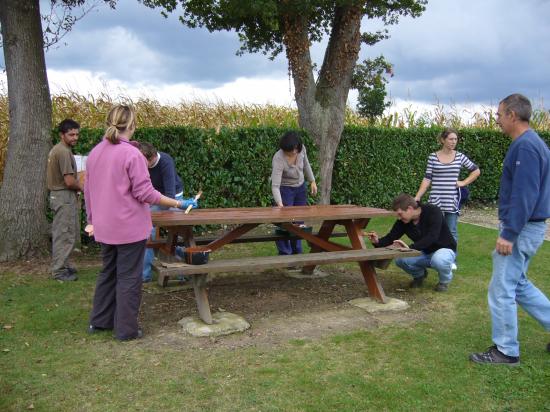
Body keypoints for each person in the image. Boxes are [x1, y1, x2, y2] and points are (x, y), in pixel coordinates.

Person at [84, 105, 197, 341]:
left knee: (108, 272)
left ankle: (100, 321)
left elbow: (89, 191)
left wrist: (92, 220)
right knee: (128, 277)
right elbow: (146, 193)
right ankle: (126, 329)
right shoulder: (132, 154)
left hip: (105, 226)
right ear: (132, 125)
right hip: (129, 228)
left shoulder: (95, 153)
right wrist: (177, 203)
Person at [470, 94, 550, 366]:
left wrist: (509, 233)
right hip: (529, 228)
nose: (497, 120)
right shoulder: (530, 143)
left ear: (513, 115)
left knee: (501, 288)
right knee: (519, 285)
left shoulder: (526, 147)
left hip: (522, 229)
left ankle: (506, 351)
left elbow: (525, 195)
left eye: (499, 115)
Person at [366, 193, 457, 292]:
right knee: (400, 260)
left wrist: (411, 248)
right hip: (424, 251)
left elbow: (432, 237)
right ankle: (419, 276)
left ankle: (444, 281)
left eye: (400, 214)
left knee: (439, 260)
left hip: (444, 250)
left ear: (409, 209)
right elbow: (391, 237)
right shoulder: (404, 221)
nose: (399, 218)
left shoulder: (433, 211)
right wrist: (377, 241)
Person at [136, 142, 195, 282]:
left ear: (150, 159)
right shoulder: (142, 164)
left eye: (141, 161)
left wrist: (150, 204)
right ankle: (146, 273)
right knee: (145, 231)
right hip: (155, 199)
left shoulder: (166, 161)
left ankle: (145, 275)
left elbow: (169, 196)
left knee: (148, 231)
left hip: (172, 199)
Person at [414, 128, 480, 245]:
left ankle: (451, 259)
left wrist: (463, 182)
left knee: (451, 231)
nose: (453, 142)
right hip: (436, 199)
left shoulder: (460, 156)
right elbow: (427, 178)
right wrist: (418, 196)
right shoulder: (433, 157)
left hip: (451, 200)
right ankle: (433, 254)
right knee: (433, 230)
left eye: (455, 139)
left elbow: (476, 171)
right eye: (450, 139)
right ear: (443, 140)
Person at [46, 119, 82, 281]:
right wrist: (83, 187)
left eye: (76, 134)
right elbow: (69, 181)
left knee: (66, 232)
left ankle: (64, 265)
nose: (75, 137)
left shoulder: (60, 149)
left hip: (60, 196)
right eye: (71, 134)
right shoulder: (63, 152)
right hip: (63, 196)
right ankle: (59, 271)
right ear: (62, 135)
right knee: (64, 234)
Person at [271, 131, 317, 255]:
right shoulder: (278, 158)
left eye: (296, 149)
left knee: (299, 222)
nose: (294, 152)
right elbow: (275, 185)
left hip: (300, 189)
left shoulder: (301, 150)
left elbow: (306, 165)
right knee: (285, 223)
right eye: (291, 150)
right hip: (285, 190)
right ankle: (285, 253)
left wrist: (312, 181)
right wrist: (280, 204)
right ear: (284, 148)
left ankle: (298, 252)